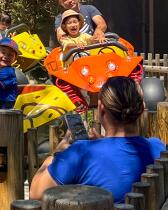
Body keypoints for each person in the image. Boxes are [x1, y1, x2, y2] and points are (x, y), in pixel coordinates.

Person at [30, 77, 165, 203]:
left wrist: (55, 154)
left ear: (101, 109)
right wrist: (103, 143)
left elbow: (36, 194)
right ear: (142, 109)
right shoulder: (158, 148)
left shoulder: (81, 154)